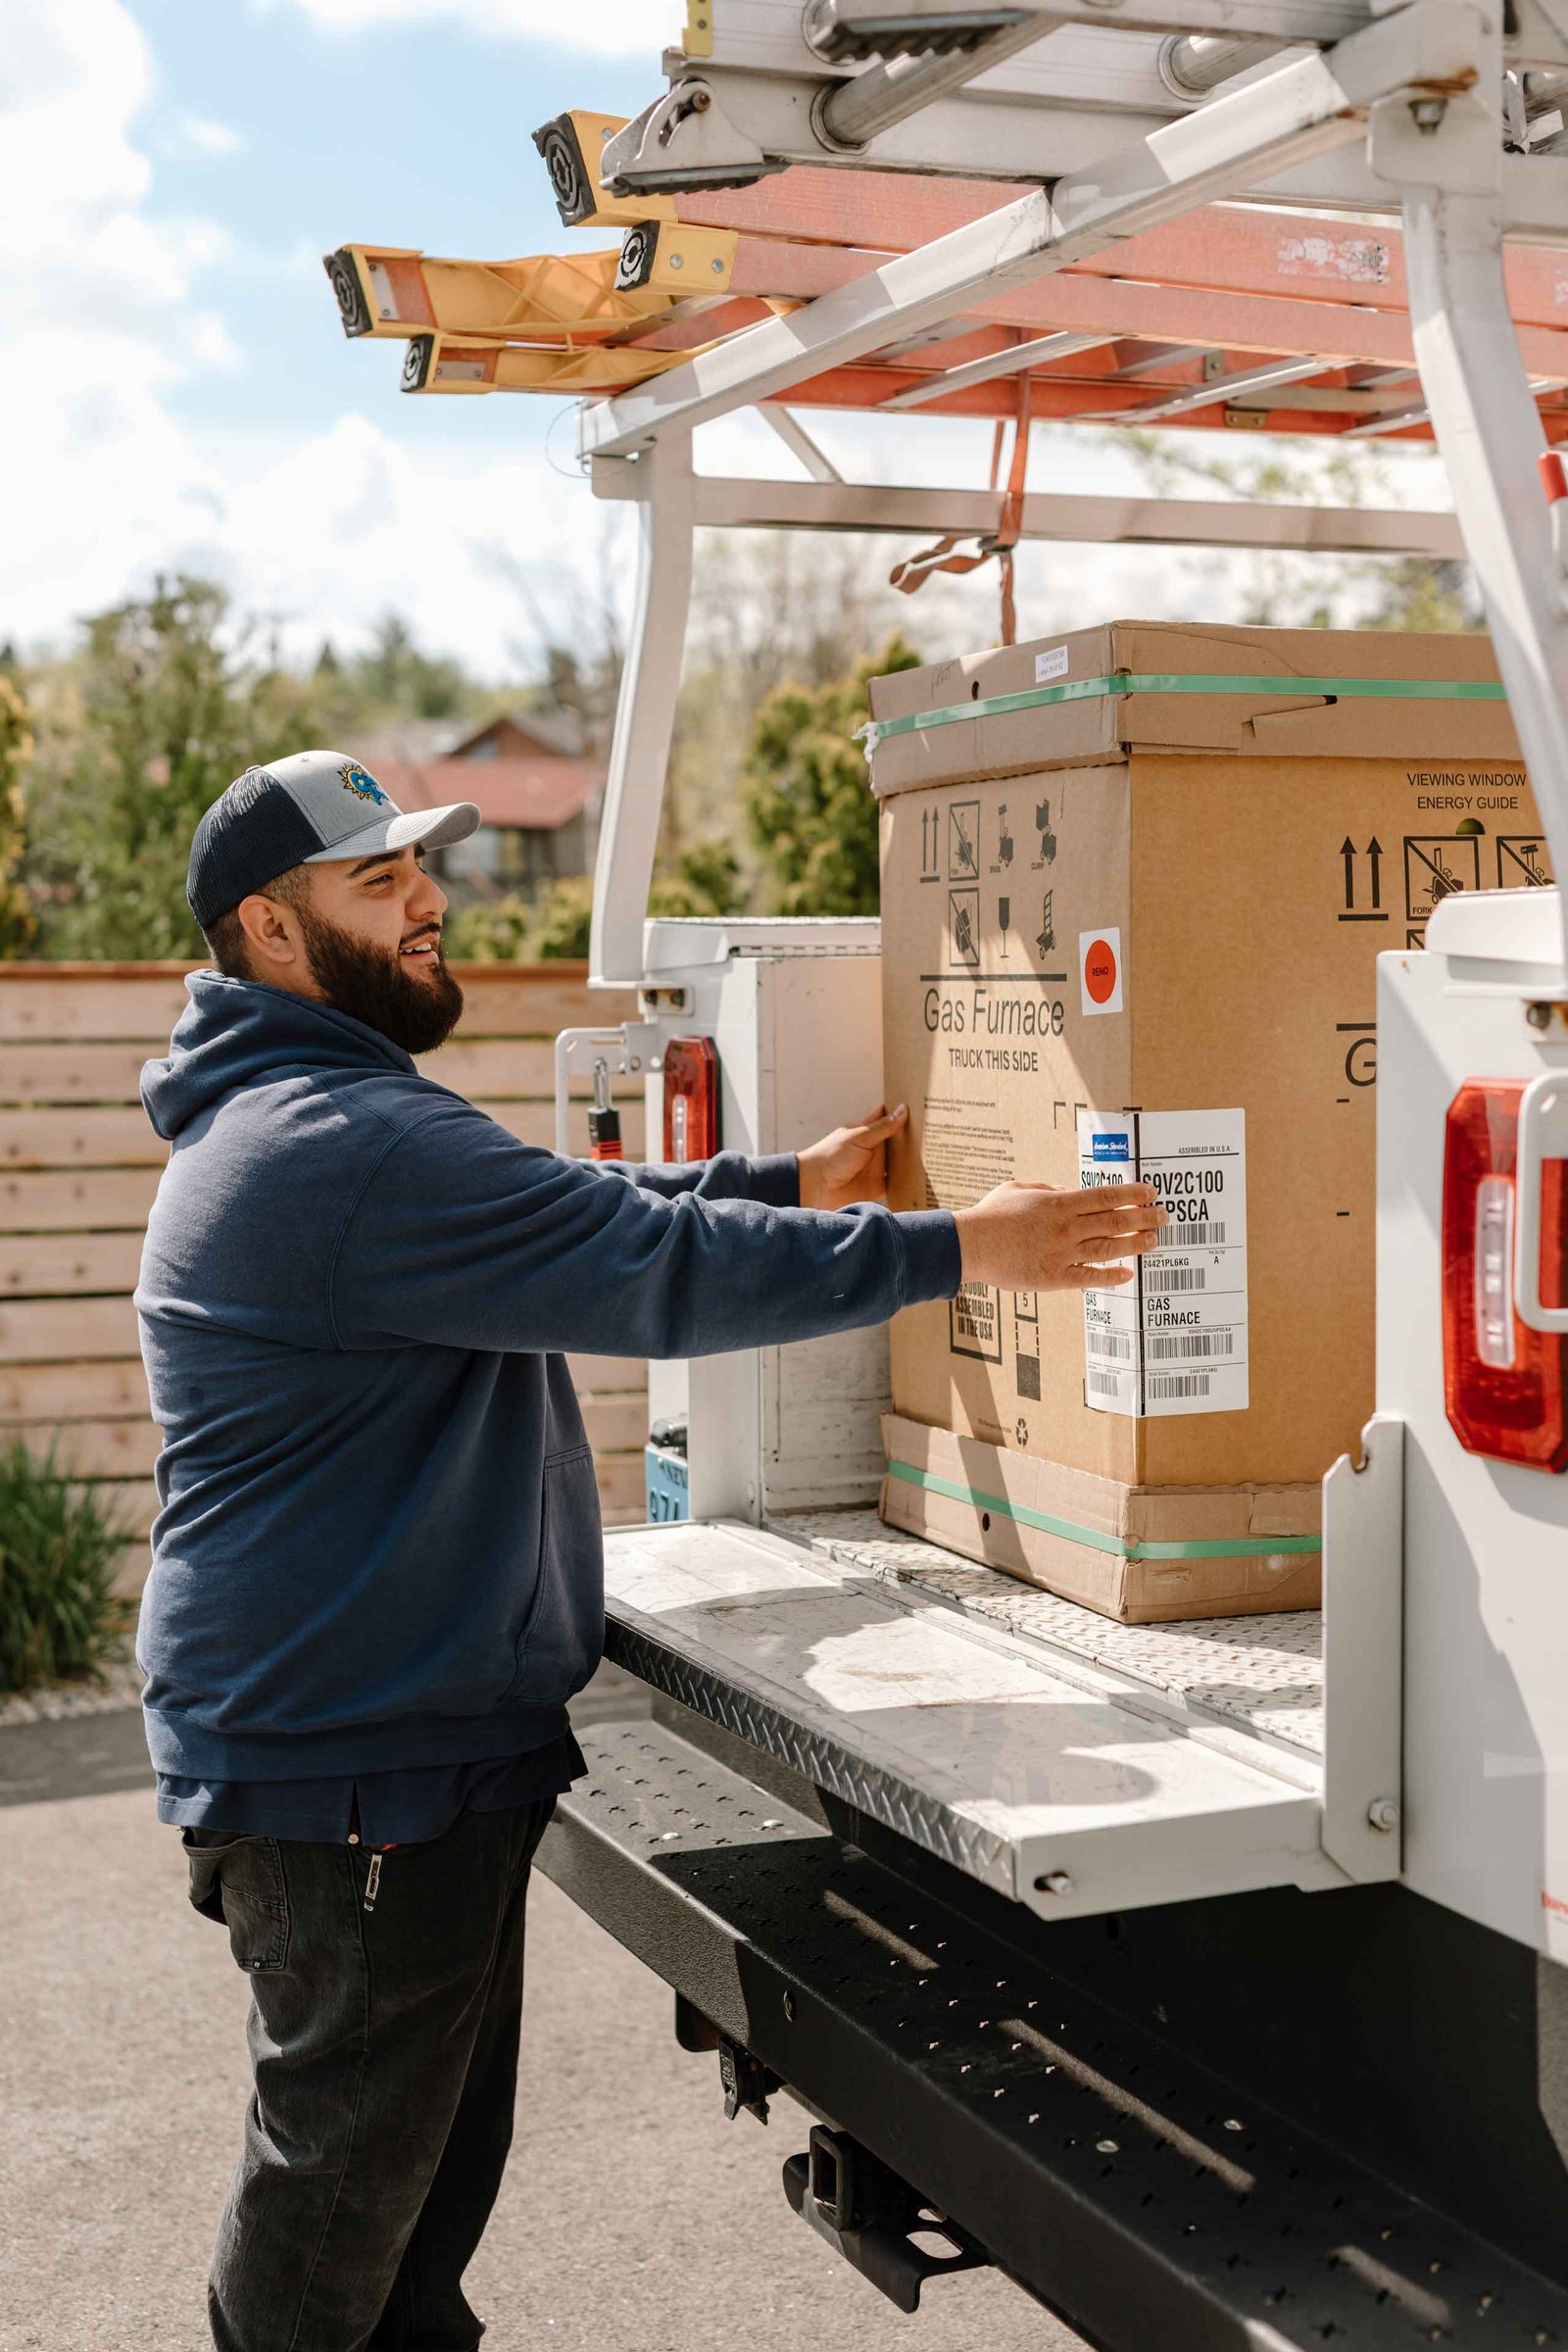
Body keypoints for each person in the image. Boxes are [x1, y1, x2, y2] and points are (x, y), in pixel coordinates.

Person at [135, 749, 1158, 2352]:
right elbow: (636, 1265)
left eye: (422, 869)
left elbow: (552, 1216)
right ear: (269, 928)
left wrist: (771, 1183)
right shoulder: (334, 1139)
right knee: (335, 2222)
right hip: (357, 1777)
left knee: (393, 2228)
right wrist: (970, 1246)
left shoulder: (315, 1117)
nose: (427, 900)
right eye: (378, 878)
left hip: (375, 1755)